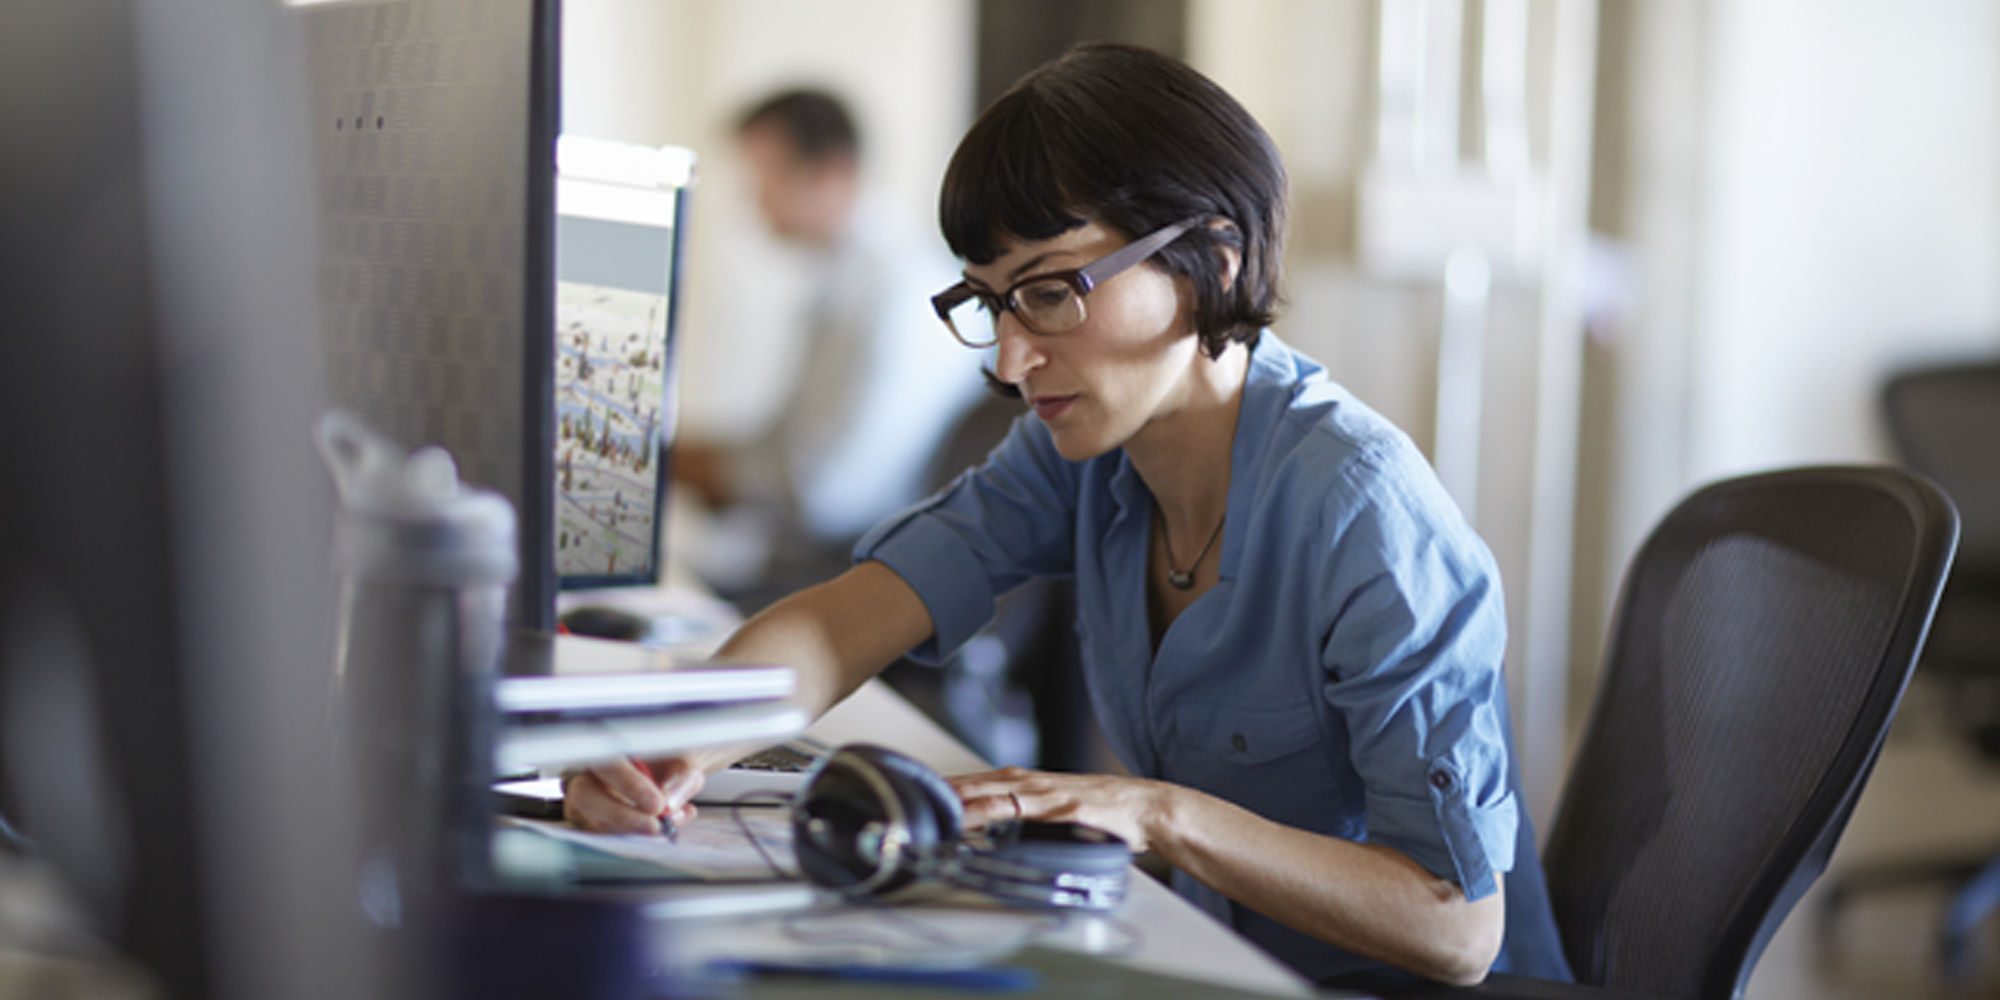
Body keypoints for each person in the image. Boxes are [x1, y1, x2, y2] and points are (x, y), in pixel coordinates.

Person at [568, 45, 1571, 989]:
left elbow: (1454, 927)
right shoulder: (1078, 460)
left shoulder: (1362, 510)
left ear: (1212, 261)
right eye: (990, 302)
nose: (1008, 360)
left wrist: (1157, 814)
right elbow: (850, 616)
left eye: (1049, 293)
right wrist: (672, 742)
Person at [673, 88, 984, 604]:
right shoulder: (852, 281)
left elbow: (827, 495)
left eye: (765, 180)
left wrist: (681, 465)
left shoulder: (896, 293)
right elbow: (786, 450)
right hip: (827, 561)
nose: (755, 203)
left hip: (858, 577)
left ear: (830, 173)